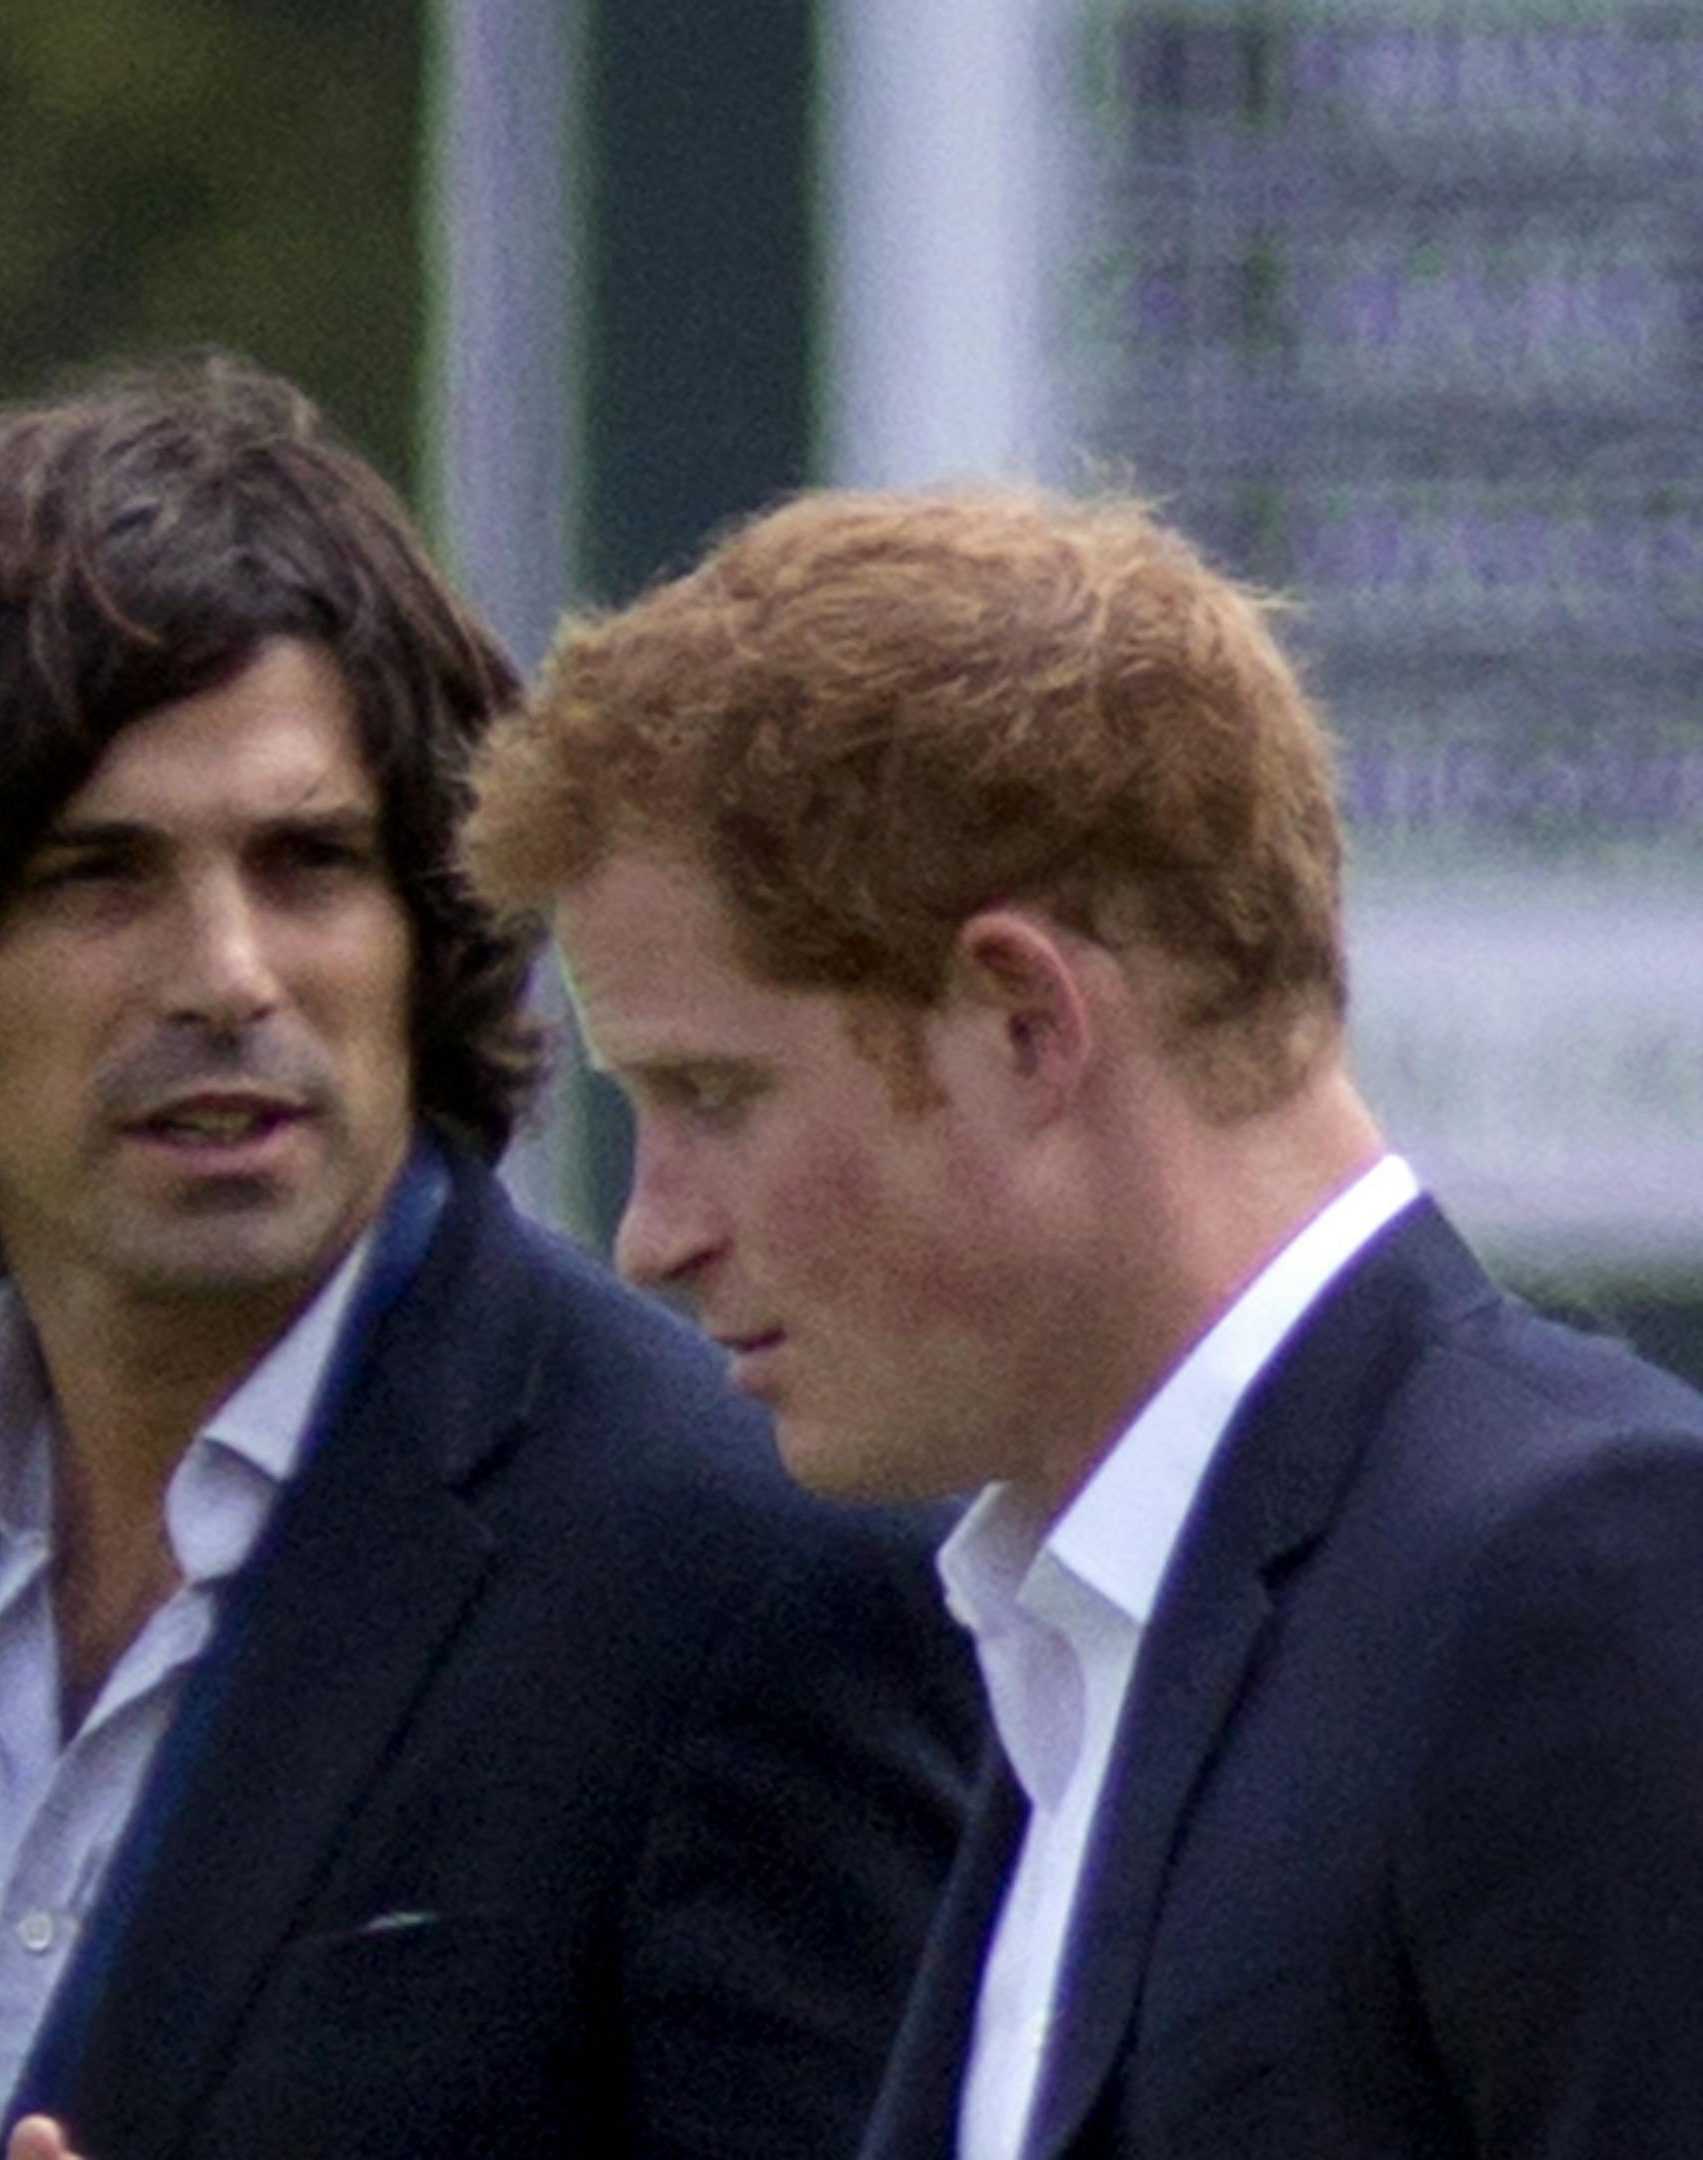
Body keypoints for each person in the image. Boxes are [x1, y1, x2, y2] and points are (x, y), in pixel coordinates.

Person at [0, 358, 978, 2160]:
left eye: (308, 863)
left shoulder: (747, 1567)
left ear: (431, 926)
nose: (228, 973)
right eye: (100, 876)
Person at [462, 483, 1703, 2158]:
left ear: (1023, 1022)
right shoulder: (1080, 1655)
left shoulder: (1575, 1575)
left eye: (712, 1094)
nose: (650, 1234)